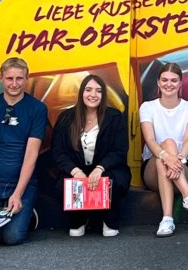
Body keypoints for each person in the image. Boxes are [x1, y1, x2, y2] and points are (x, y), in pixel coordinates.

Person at [0, 57, 48, 246]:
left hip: (22, 184)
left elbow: (32, 154)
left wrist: (18, 193)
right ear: (1, 78)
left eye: (19, 78)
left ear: (26, 78)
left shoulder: (37, 108)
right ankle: (1, 215)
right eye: (9, 78)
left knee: (12, 238)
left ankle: (26, 213)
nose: (14, 84)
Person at [51, 74, 130, 237]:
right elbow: (58, 152)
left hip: (107, 169)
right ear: (81, 93)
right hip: (76, 170)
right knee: (74, 230)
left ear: (103, 95)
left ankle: (108, 218)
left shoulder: (114, 117)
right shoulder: (66, 118)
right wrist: (76, 172)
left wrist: (100, 168)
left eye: (98, 91)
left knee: (110, 182)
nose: (93, 95)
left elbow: (119, 150)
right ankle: (79, 218)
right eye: (88, 90)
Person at [140, 62, 188, 238]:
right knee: (165, 149)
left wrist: (177, 160)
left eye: (173, 80)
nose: (168, 84)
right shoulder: (147, 107)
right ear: (158, 82)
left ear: (181, 83)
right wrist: (167, 156)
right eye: (164, 80)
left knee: (165, 155)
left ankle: (167, 219)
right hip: (151, 170)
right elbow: (149, 140)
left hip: (182, 166)